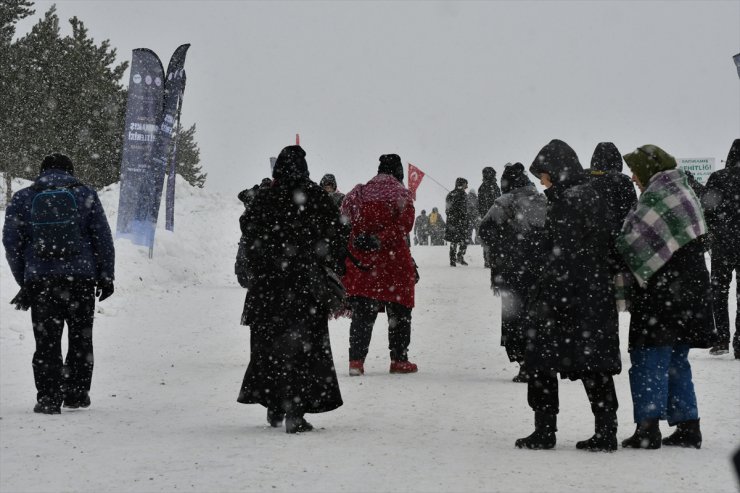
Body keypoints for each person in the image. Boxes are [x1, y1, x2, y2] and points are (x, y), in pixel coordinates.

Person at [517, 139, 621, 452]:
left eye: (544, 176)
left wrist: (546, 283)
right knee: (594, 364)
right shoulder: (590, 195)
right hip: (592, 295)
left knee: (542, 362)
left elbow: (558, 252)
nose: (542, 182)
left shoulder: (568, 201)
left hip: (565, 296)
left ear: (556, 172)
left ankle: (545, 430)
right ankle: (605, 431)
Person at [236, 145, 346, 433]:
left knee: (269, 348)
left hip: (268, 289)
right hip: (304, 287)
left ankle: (274, 404)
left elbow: (247, 230)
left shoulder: (266, 197)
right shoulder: (316, 196)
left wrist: (264, 259)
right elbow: (334, 236)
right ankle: (295, 411)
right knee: (303, 350)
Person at [618, 144, 715, 449]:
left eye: (636, 170)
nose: (633, 176)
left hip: (661, 294)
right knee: (676, 360)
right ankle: (688, 426)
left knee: (648, 359)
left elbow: (634, 243)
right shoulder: (684, 192)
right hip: (689, 293)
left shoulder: (657, 197)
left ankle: (647, 429)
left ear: (649, 169)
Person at [3, 153, 115, 414]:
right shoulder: (85, 195)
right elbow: (102, 237)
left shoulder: (24, 197)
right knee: (80, 338)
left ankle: (49, 398)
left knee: (46, 342)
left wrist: (26, 279)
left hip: (41, 281)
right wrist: (106, 275)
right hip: (81, 280)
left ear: (41, 171)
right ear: (70, 170)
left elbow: (11, 243)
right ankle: (76, 394)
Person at [341, 154, 418, 376]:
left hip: (364, 262)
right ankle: (399, 360)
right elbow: (405, 225)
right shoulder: (401, 194)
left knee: (363, 313)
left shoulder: (359, 192)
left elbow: (345, 218)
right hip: (394, 262)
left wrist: (362, 237)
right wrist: (381, 239)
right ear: (399, 172)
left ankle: (356, 361)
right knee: (400, 312)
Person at [478, 163, 547, 383]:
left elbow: (485, 230)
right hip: (540, 270)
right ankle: (538, 359)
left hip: (511, 270)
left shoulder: (504, 202)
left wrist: (504, 244)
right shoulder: (542, 201)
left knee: (514, 317)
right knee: (536, 315)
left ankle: (524, 362)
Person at [702, 139, 740, 358]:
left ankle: (721, 339)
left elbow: (706, 210)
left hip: (723, 244)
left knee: (719, 291)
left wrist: (713, 234)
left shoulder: (718, 177)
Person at [235, 177, 272, 287]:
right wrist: (254, 190)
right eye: (263, 187)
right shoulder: (254, 196)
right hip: (249, 233)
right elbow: (241, 195)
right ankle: (243, 276)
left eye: (267, 187)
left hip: (264, 233)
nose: (265, 189)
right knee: (243, 255)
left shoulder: (272, 198)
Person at [478, 167, 502, 267]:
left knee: (487, 239)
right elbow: (498, 201)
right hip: (493, 216)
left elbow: (480, 204)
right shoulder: (493, 186)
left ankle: (488, 259)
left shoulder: (483, 187)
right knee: (493, 238)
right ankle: (490, 260)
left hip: (486, 216)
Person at [445, 178, 470, 266]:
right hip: (458, 222)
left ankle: (455, 259)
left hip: (454, 222)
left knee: (456, 241)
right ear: (461, 184)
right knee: (461, 240)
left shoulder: (451, 194)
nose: (467, 186)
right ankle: (457, 258)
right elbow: (449, 210)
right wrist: (460, 214)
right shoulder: (461, 195)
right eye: (465, 184)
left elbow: (447, 210)